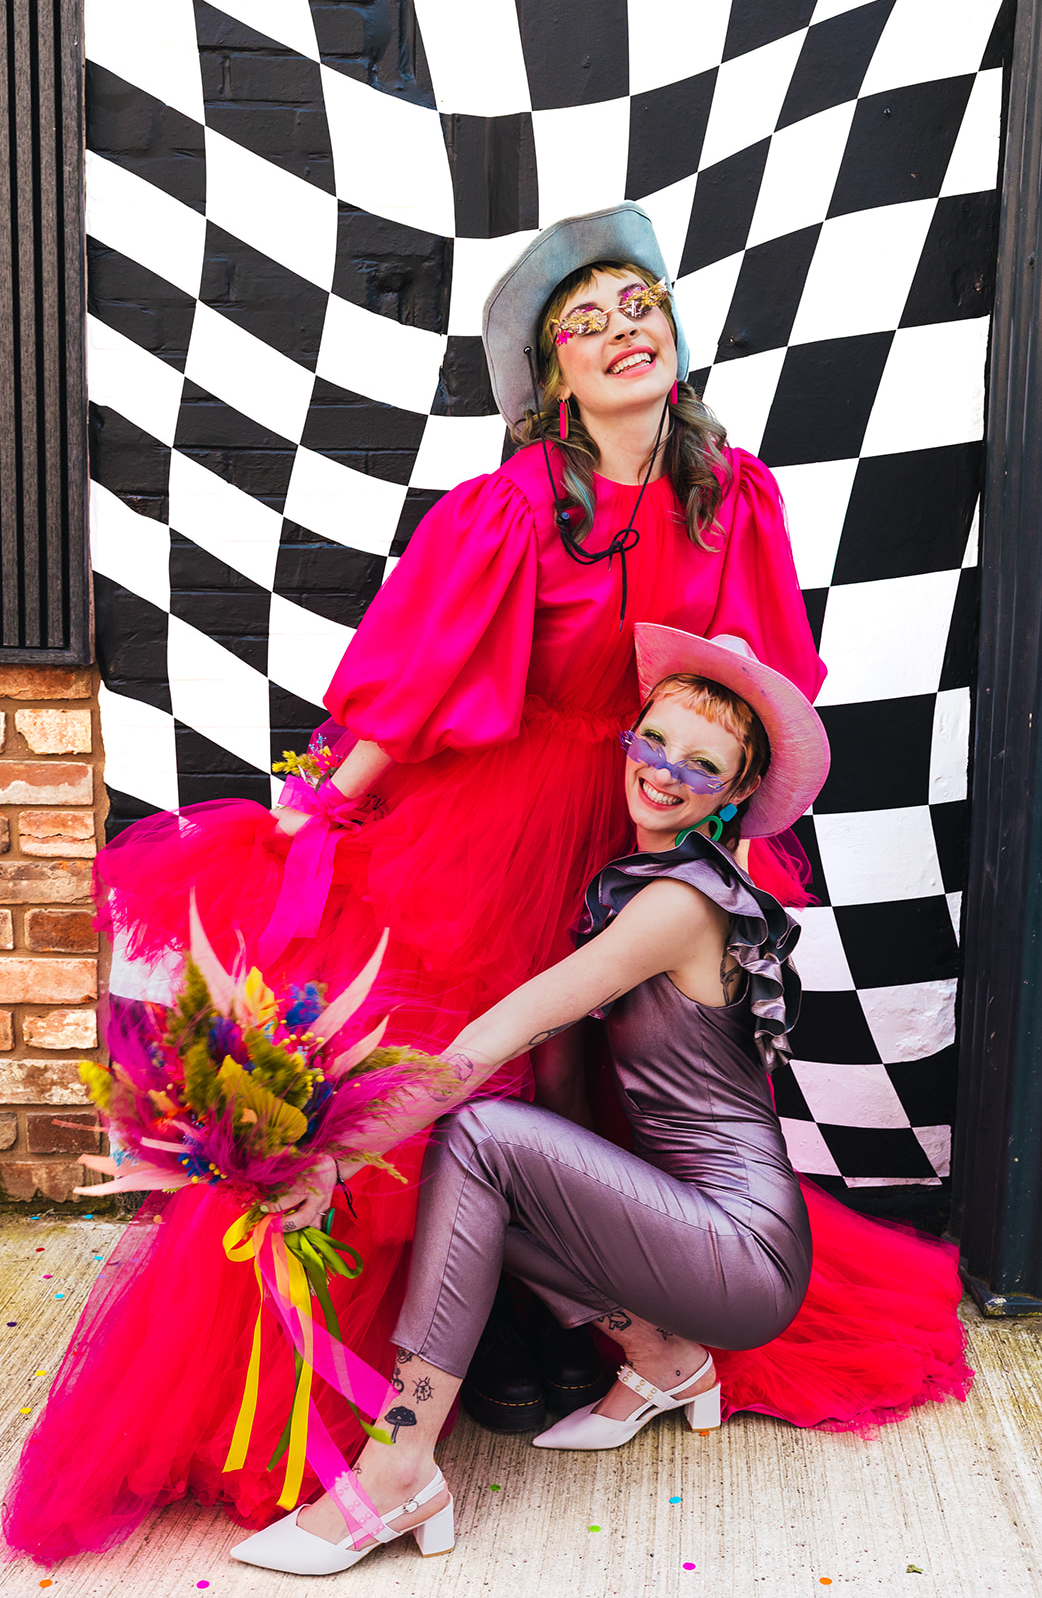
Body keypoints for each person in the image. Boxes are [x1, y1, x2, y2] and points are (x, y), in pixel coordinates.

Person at [90, 201, 825, 1462]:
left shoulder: (735, 497)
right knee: (479, 1061)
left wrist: (736, 855)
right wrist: (323, 803)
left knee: (604, 1081)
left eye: (634, 305)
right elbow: (423, 675)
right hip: (506, 818)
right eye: (581, 324)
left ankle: (601, 1334)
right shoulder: (513, 504)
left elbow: (755, 685)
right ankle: (498, 1340)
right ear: (553, 378)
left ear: (672, 331)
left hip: (651, 813)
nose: (617, 332)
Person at [224, 627, 827, 1574]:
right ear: (628, 739)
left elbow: (481, 1049)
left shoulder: (676, 905)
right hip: (700, 1230)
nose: (665, 774)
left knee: (474, 1135)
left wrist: (336, 1153)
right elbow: (559, 1073)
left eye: (701, 767)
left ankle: (399, 1469)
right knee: (486, 1184)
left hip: (741, 1250)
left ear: (736, 794)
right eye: (654, 743)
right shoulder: (637, 884)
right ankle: (670, 1365)